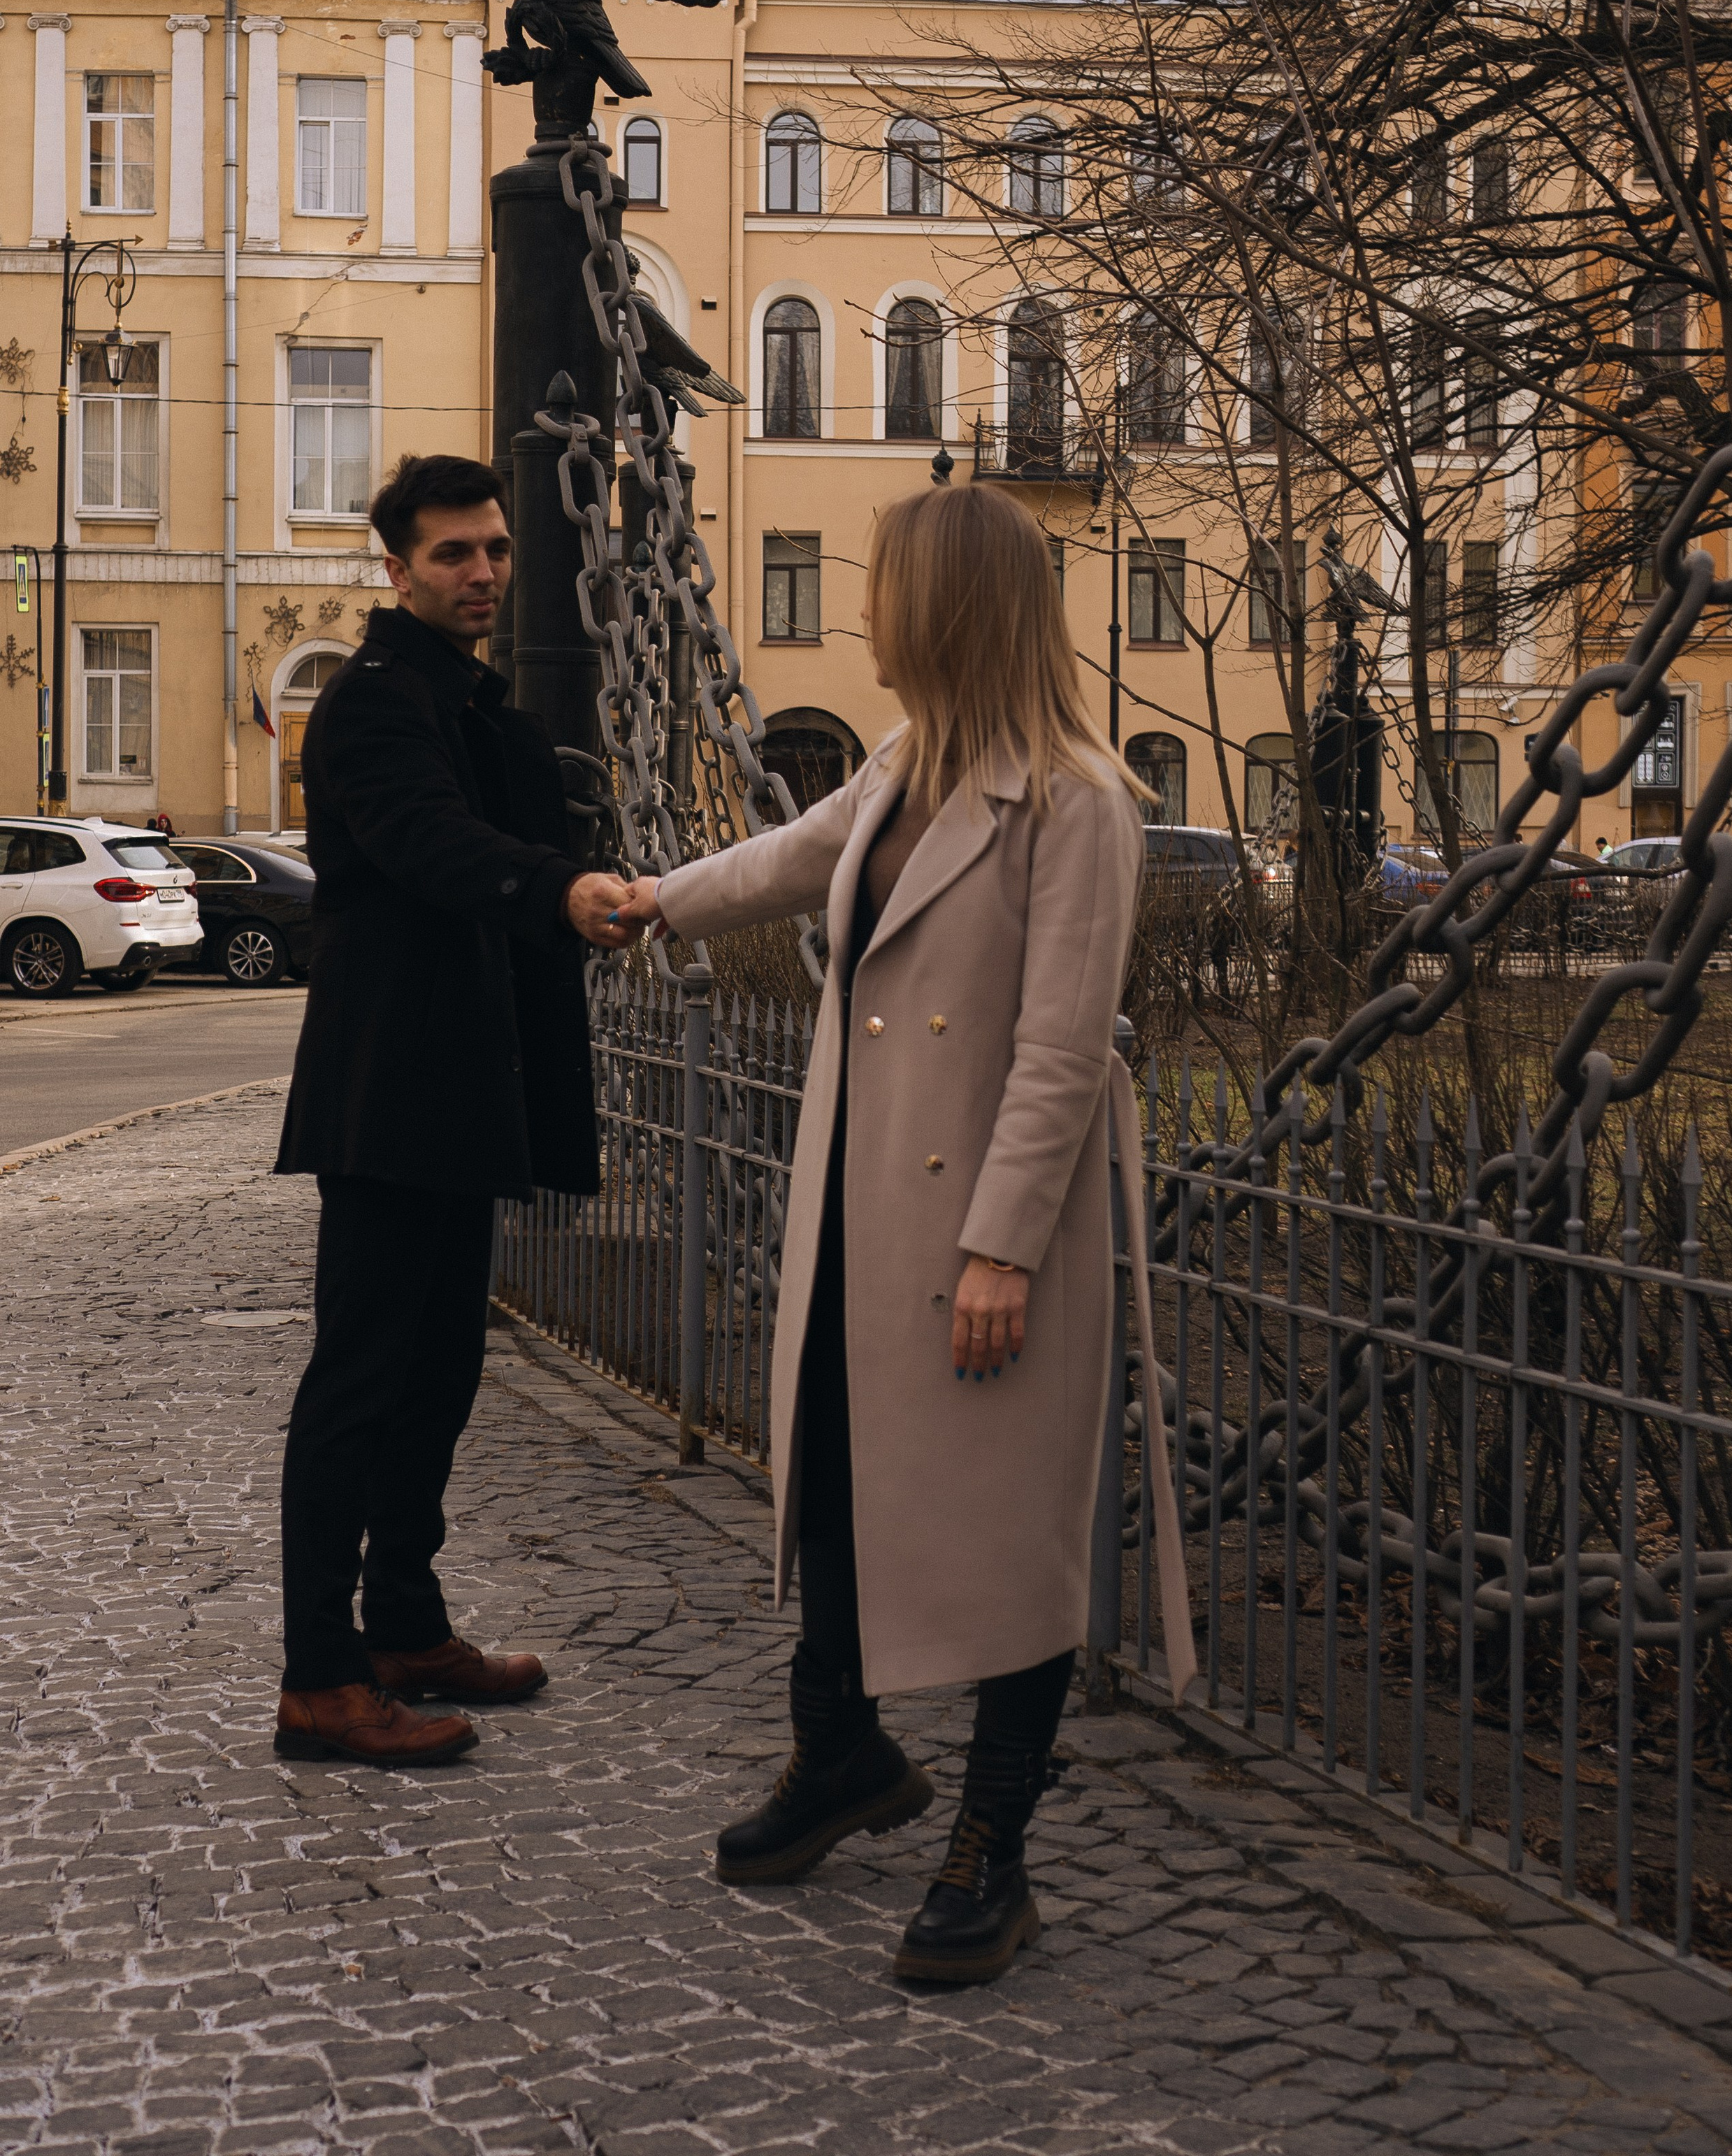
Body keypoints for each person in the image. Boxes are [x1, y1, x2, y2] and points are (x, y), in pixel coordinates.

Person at [609, 485, 1195, 1985]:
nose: (863, 610)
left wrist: (1003, 1248)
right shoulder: (902, 761)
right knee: (833, 1480)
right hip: (860, 1203)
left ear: (946, 606)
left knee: (1009, 1537)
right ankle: (841, 1753)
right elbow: (795, 856)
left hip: (988, 1229)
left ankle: (992, 1848)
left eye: (882, 585)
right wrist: (657, 901)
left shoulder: (1074, 799)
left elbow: (1061, 1050)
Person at [273, 454, 631, 1770]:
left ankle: (406, 1629)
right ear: (397, 568)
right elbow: (431, 843)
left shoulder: (473, 701)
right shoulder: (373, 704)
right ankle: (320, 1678)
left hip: (464, 1085)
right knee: (359, 1385)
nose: (483, 572)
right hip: (388, 1093)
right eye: (452, 554)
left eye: (495, 549)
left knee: (439, 1376)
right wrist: (560, 890)